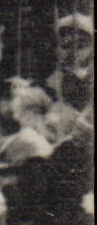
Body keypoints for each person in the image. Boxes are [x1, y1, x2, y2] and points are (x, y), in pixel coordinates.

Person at [44, 12, 92, 145]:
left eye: (81, 46)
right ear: (56, 48)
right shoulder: (49, 83)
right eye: (66, 45)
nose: (73, 53)